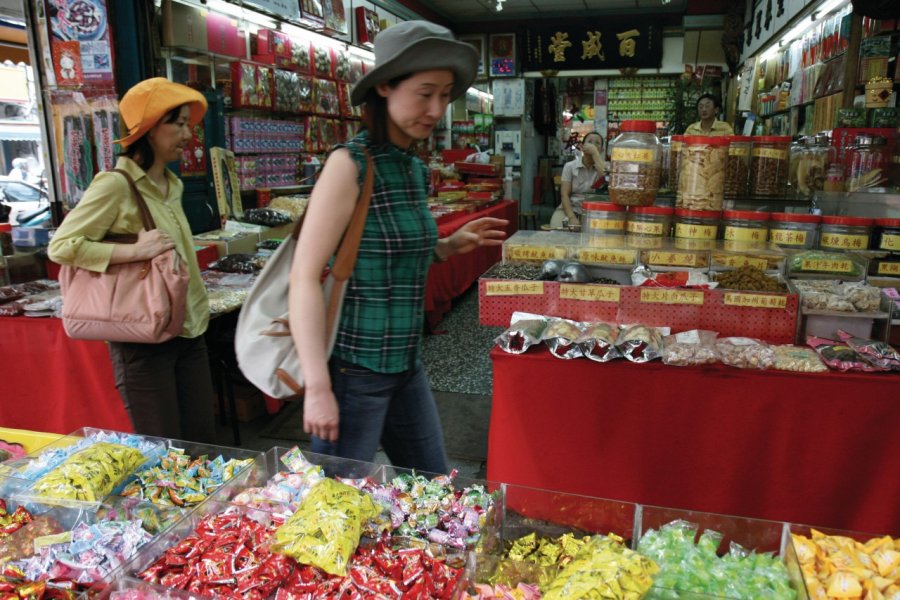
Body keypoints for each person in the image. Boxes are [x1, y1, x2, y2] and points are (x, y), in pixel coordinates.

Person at [289, 21, 508, 474]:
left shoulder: (411, 167)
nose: (436, 108)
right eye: (425, 92)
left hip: (407, 363)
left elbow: (388, 253)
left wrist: (446, 247)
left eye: (445, 95)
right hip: (353, 370)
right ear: (385, 86)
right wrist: (317, 385)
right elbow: (305, 275)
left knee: (431, 487)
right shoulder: (348, 165)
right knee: (333, 508)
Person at [48, 78, 216, 443]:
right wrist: (132, 251)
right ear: (149, 128)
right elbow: (62, 246)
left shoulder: (174, 184)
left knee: (203, 443)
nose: (188, 133)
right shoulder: (116, 184)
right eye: (178, 123)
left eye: (189, 123)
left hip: (189, 329)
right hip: (142, 335)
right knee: (163, 447)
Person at [551, 131, 605, 228]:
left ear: (601, 150)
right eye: (590, 142)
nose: (593, 145)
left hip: (594, 211)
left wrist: (595, 154)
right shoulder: (570, 166)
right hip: (570, 208)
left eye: (597, 143)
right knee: (556, 227)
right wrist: (571, 217)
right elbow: (564, 195)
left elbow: (606, 179)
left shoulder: (604, 167)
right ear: (582, 146)